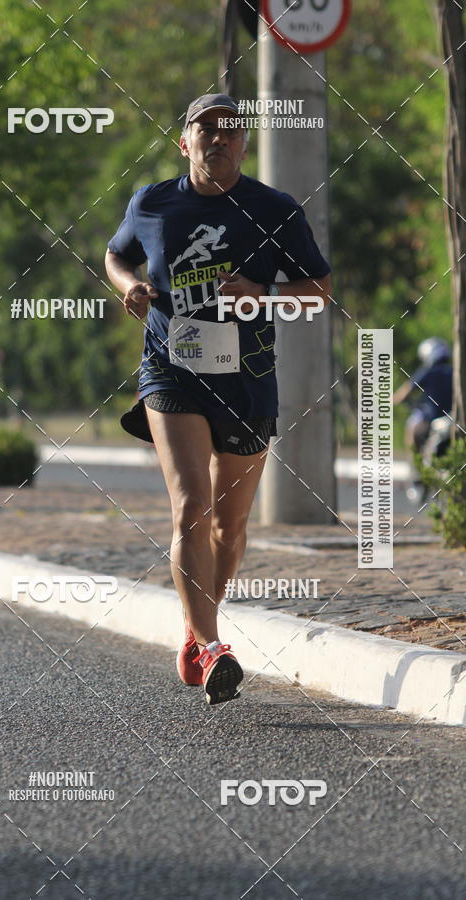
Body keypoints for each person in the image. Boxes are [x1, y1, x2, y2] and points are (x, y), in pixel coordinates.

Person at [105, 94, 331, 705]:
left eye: (232, 130)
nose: (219, 138)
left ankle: (194, 630)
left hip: (247, 381)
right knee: (191, 510)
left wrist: (261, 296)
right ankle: (211, 647)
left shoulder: (275, 210)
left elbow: (317, 292)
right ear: (185, 142)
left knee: (229, 530)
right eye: (206, 129)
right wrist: (130, 287)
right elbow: (115, 254)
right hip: (170, 372)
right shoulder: (152, 202)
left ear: (245, 144)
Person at [393, 337, 453, 452]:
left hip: (430, 419)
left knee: (412, 424)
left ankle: (416, 462)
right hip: (452, 417)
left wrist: (393, 399)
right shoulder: (454, 371)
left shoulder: (427, 371)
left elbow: (404, 393)